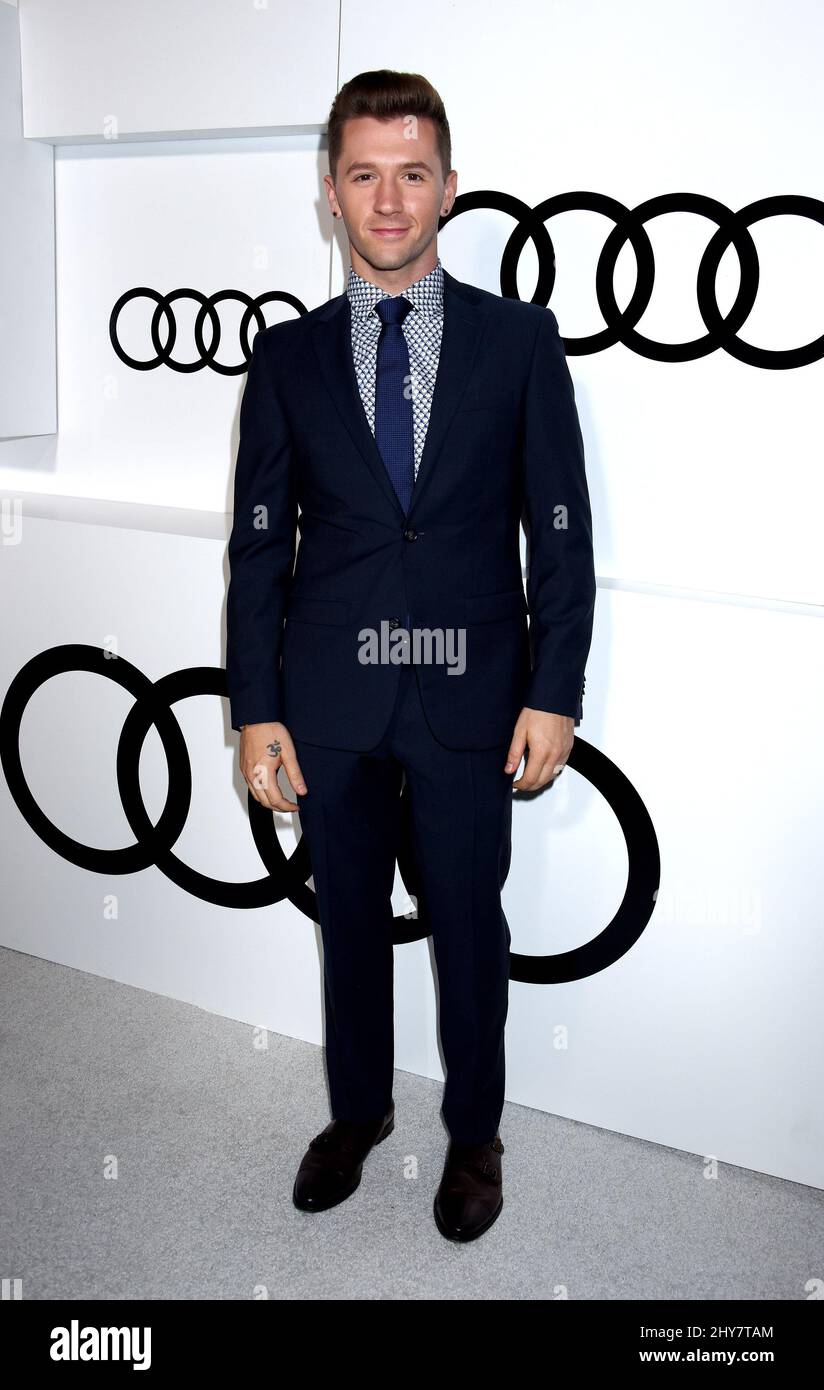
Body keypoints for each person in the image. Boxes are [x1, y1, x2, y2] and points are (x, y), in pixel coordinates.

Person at [226, 69, 596, 1242]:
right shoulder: (283, 359)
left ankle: (475, 1135)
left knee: (468, 927)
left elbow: (561, 532)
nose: (389, 200)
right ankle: (358, 1112)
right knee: (348, 923)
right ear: (329, 193)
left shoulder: (520, 343)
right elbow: (256, 546)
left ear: (446, 186)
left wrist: (553, 689)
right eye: (363, 174)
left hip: (469, 696)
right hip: (327, 699)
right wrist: (254, 707)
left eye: (412, 173)